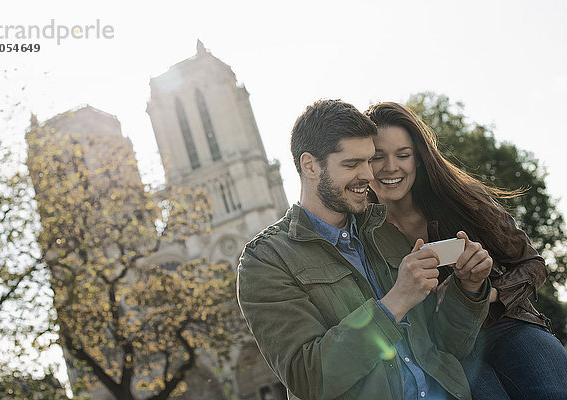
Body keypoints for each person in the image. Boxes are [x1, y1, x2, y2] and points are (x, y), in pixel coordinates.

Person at [237, 99, 493, 400]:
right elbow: (309, 379)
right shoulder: (265, 261)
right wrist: (395, 302)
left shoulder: (386, 232)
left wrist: (469, 289)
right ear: (310, 165)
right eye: (351, 164)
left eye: (368, 160)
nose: (370, 176)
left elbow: (447, 347)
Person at [365, 101, 567, 399]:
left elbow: (533, 265)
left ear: (419, 159)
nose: (391, 167)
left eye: (403, 155)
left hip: (507, 325)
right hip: (445, 355)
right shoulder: (362, 233)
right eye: (377, 157)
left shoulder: (462, 198)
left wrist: (487, 293)